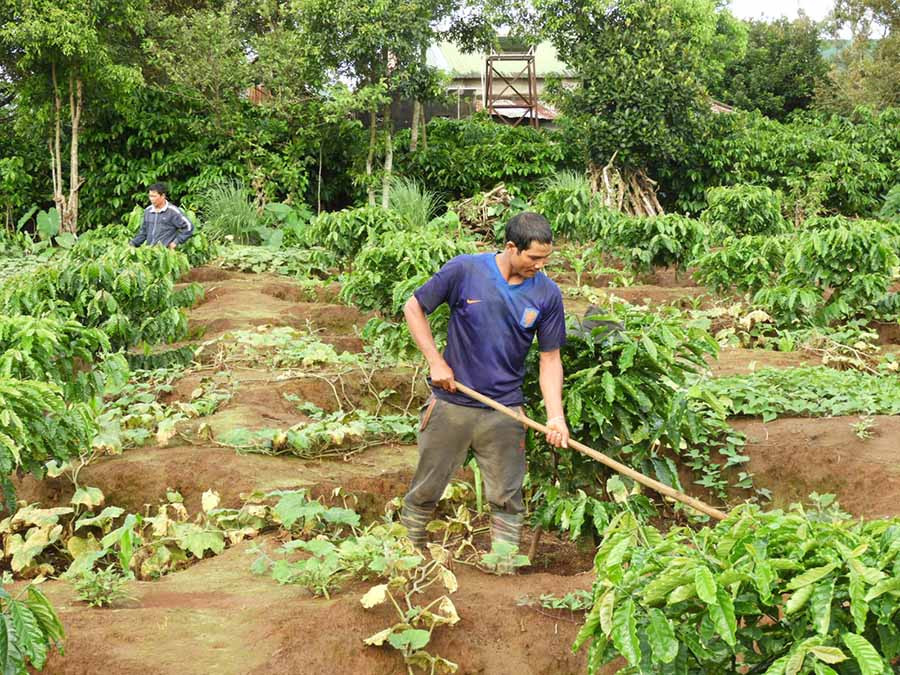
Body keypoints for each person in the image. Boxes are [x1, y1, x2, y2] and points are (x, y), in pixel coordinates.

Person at [399, 212, 569, 567]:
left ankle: (504, 567)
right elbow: (414, 307)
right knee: (428, 485)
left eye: (545, 259)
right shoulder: (465, 271)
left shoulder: (547, 294)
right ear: (511, 247)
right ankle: (408, 556)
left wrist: (555, 417)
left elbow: (550, 359)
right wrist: (436, 361)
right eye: (533, 258)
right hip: (452, 404)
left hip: (505, 411)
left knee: (507, 496)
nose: (540, 266)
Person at [130, 182, 194, 249]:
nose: (151, 199)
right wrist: (132, 243)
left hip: (166, 254)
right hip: (150, 252)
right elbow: (143, 232)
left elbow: (189, 227)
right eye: (150, 196)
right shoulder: (148, 211)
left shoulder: (173, 211)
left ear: (163, 196)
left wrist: (176, 242)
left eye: (154, 196)